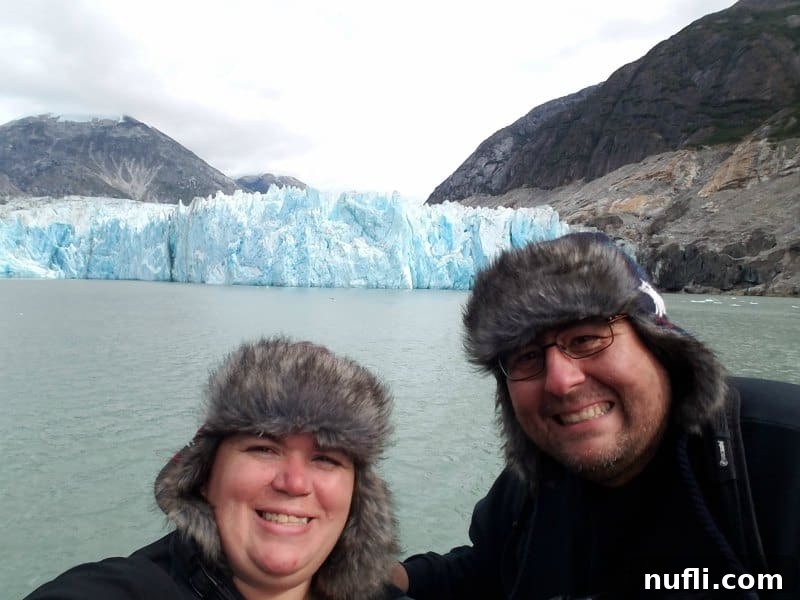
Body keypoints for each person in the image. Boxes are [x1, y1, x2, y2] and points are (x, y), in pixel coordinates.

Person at [393, 232, 799, 599]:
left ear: (656, 343)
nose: (560, 381)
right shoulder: (528, 490)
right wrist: (376, 577)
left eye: (586, 339)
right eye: (527, 357)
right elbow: (487, 575)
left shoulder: (781, 456)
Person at [25, 336, 408, 600]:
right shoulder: (134, 588)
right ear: (206, 477)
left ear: (356, 496)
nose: (293, 482)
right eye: (263, 448)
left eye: (326, 458)